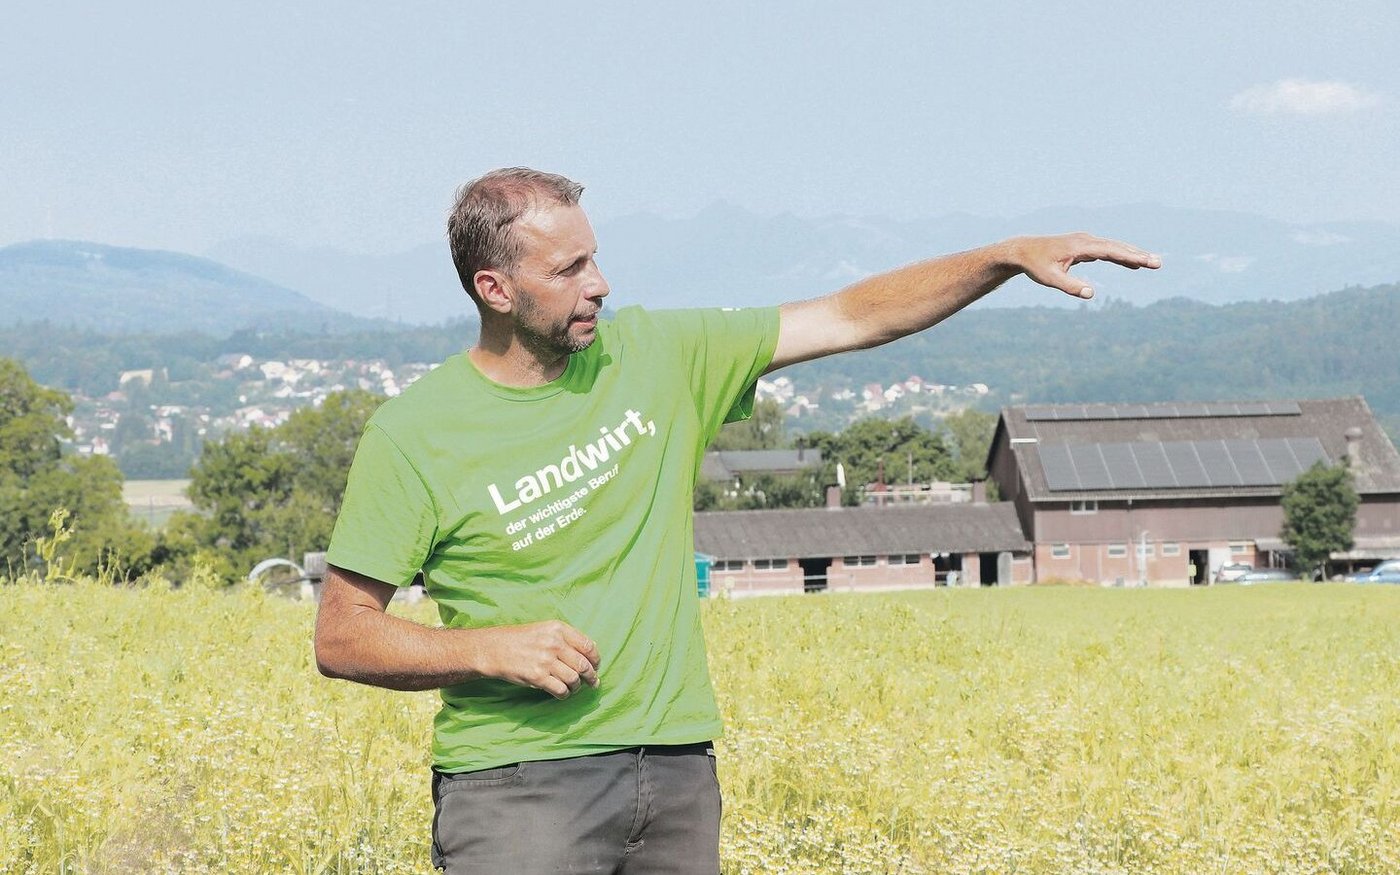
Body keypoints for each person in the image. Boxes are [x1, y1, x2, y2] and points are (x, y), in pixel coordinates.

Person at [313, 167, 1160, 873]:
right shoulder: (415, 432)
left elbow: (854, 315)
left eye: (596, 259)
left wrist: (1004, 257)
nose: (600, 284)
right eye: (569, 269)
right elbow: (342, 635)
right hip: (517, 787)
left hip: (677, 771)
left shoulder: (658, 355)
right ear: (494, 289)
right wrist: (482, 647)